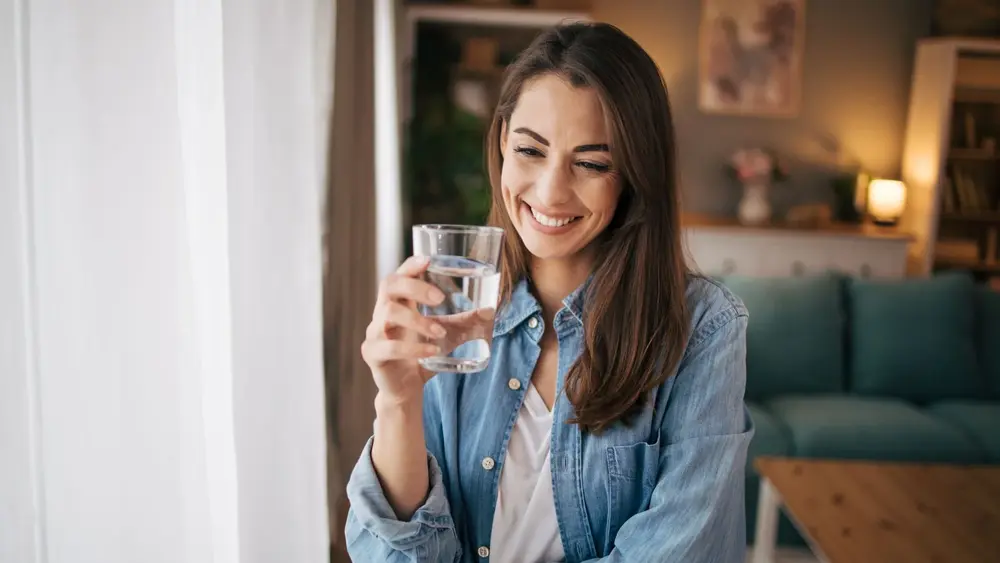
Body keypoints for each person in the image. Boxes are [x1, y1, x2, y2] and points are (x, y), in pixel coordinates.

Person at [346, 21, 753, 563]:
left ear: (634, 172)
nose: (550, 191)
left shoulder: (703, 328)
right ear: (502, 144)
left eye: (591, 163)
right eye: (530, 151)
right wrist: (397, 401)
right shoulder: (450, 309)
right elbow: (396, 556)